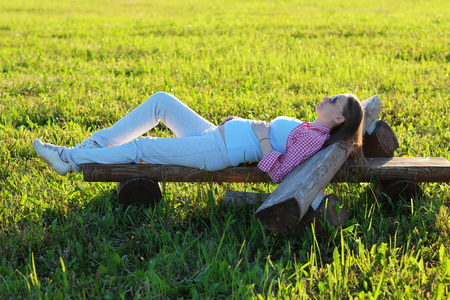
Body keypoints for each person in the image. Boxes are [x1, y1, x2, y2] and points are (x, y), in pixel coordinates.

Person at [33, 92, 364, 184]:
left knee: (143, 148)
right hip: (216, 135)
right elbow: (275, 140)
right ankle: (98, 145)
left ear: (339, 118)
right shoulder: (312, 128)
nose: (327, 97)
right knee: (162, 101)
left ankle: (68, 159)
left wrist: (261, 136)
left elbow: (278, 172)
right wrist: (244, 123)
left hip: (216, 150)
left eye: (334, 100)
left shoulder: (314, 139)